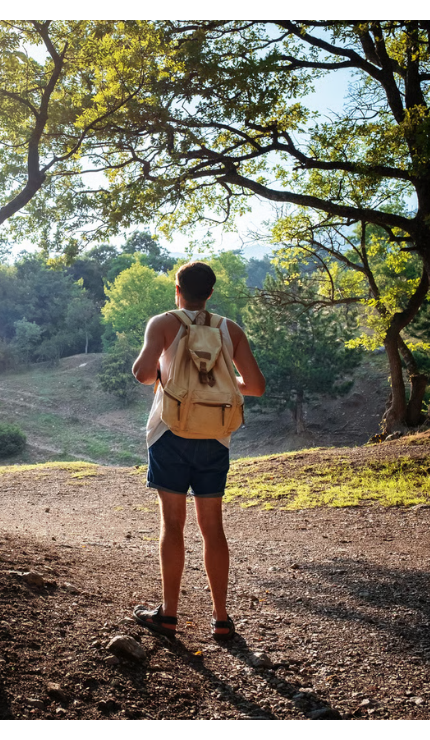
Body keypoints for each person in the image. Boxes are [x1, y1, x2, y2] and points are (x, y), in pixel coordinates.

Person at [130, 261, 265, 641]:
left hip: (169, 433)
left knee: (173, 524)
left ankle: (169, 614)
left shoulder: (163, 323)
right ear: (210, 293)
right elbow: (255, 386)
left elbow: (142, 374)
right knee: (212, 528)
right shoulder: (230, 329)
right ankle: (221, 618)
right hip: (215, 435)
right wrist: (220, 382)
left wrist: (166, 369)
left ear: (178, 290)